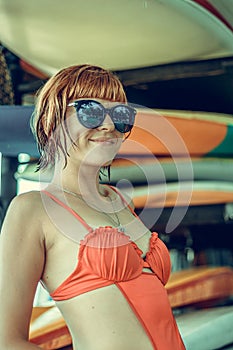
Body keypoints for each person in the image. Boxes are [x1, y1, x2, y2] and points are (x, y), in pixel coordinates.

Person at [0, 64, 185, 350]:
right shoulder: (33, 210)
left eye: (121, 115)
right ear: (53, 121)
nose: (109, 125)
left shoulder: (122, 201)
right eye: (90, 111)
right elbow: (6, 341)